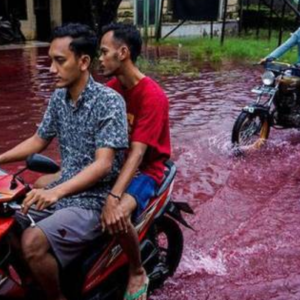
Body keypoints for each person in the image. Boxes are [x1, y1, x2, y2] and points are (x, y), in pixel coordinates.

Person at [0, 23, 128, 300]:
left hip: (95, 199)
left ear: (83, 62)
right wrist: (1, 157)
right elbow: (38, 140)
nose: (51, 69)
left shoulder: (109, 101)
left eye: (59, 61)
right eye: (50, 61)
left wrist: (54, 190)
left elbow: (103, 164)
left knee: (32, 242)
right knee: (7, 224)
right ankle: (35, 281)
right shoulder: (59, 98)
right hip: (63, 190)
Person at [99, 23, 171, 300]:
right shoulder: (113, 88)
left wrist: (115, 196)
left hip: (146, 171)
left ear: (123, 52)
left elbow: (138, 154)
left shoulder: (152, 96)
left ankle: (136, 269)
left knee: (116, 217)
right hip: (117, 163)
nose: (100, 59)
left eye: (105, 52)